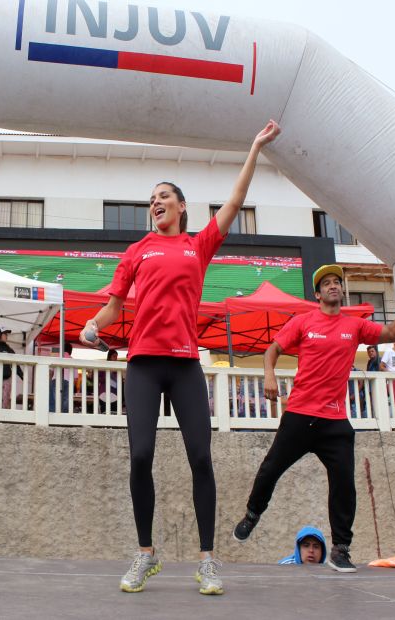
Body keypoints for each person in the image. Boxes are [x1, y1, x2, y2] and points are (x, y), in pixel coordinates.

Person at [80, 120, 282, 595]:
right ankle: (145, 553)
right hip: (144, 365)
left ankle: (208, 561)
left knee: (201, 460)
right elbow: (114, 307)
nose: (155, 203)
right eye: (151, 199)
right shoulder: (136, 251)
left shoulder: (198, 245)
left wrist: (253, 147)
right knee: (141, 456)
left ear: (181, 206)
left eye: (163, 196)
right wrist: (94, 325)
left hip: (186, 363)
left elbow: (233, 203)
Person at [232, 264, 395, 573]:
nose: (333, 286)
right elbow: (272, 350)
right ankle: (252, 513)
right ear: (317, 294)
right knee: (270, 469)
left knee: (344, 484)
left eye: (336, 283)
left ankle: (341, 549)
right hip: (300, 414)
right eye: (326, 283)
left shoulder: (355, 326)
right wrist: (269, 377)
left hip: (335, 421)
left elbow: (392, 333)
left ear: (340, 291)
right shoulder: (303, 322)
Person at [49, 342, 73, 412]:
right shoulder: (72, 360)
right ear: (70, 351)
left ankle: (54, 415)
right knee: (66, 401)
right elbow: (75, 378)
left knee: (54, 399)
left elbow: (50, 372)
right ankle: (63, 416)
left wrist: (49, 382)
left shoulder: (56, 357)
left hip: (55, 380)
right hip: (68, 381)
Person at [97, 348, 120, 414]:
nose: (115, 358)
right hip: (104, 393)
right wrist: (109, 374)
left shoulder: (117, 368)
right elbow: (99, 379)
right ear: (109, 357)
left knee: (114, 413)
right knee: (104, 412)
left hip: (114, 395)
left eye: (116, 357)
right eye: (114, 356)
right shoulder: (103, 366)